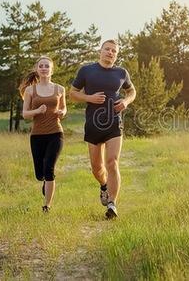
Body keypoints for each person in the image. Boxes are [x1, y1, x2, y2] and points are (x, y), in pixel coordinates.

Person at [69, 39, 136, 219]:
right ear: (100, 51)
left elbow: (132, 92)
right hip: (93, 124)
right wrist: (89, 98)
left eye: (114, 51)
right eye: (107, 49)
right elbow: (72, 93)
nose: (110, 53)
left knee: (112, 162)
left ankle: (112, 204)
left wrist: (125, 102)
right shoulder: (86, 70)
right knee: (97, 168)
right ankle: (104, 185)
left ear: (116, 54)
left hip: (114, 122)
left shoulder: (122, 72)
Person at [20, 56, 67, 213]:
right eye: (41, 66)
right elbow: (25, 114)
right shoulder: (30, 90)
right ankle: (45, 182)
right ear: (37, 69)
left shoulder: (60, 89)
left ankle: (47, 205)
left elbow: (64, 109)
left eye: (47, 66)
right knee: (40, 174)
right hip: (37, 135)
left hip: (56, 133)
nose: (44, 68)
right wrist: (37, 111)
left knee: (49, 169)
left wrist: (62, 112)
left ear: (51, 70)